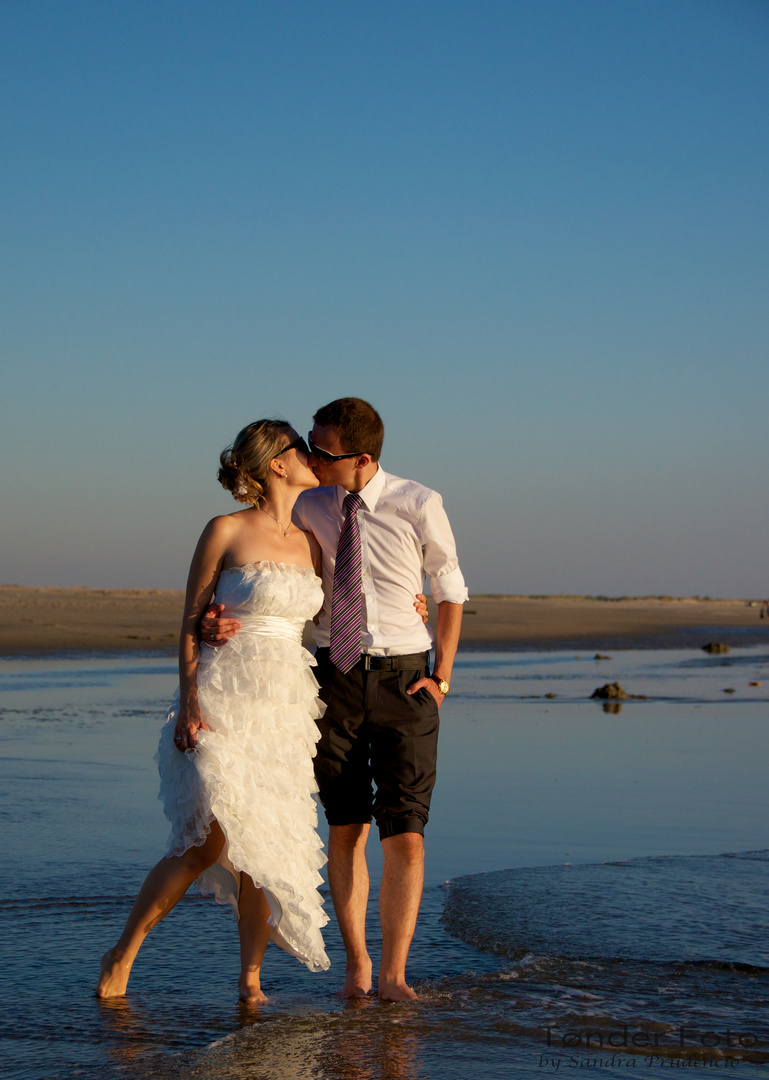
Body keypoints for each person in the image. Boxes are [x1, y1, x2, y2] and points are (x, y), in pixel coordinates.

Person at [202, 398, 467, 1001]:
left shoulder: (419, 503)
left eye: (323, 450)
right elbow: (266, 562)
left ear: (362, 457)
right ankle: (357, 965)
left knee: (406, 830)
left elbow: (449, 589)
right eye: (310, 448)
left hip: (406, 680)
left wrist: (443, 674)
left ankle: (395, 975)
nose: (312, 458)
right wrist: (218, 619)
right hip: (334, 678)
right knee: (345, 825)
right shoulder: (310, 502)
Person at [96, 420, 331, 1003]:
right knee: (204, 843)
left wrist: (414, 600)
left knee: (263, 849)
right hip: (223, 698)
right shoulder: (225, 529)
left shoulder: (315, 540)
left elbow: (334, 618)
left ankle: (250, 982)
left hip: (284, 708)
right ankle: (122, 955)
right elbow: (190, 620)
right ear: (278, 463)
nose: (312, 454)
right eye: (302, 447)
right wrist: (190, 703)